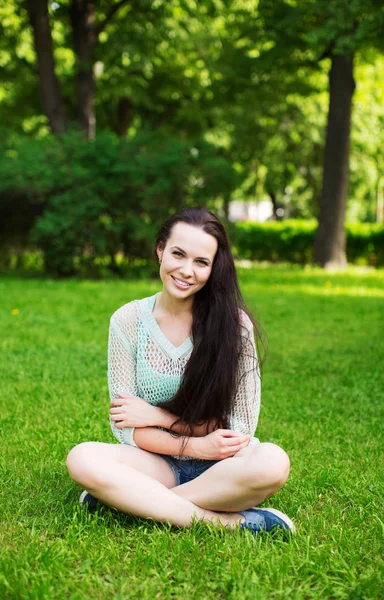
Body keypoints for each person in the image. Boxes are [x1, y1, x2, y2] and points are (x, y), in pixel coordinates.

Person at [66, 207, 293, 533]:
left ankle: (131, 503)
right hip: (155, 463)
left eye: (201, 262)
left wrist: (159, 418)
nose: (186, 270)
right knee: (82, 457)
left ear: (214, 268)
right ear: (160, 250)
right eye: (178, 254)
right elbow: (126, 428)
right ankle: (227, 524)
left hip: (224, 466)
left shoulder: (234, 326)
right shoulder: (127, 322)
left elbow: (237, 430)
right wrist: (196, 444)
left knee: (273, 463)